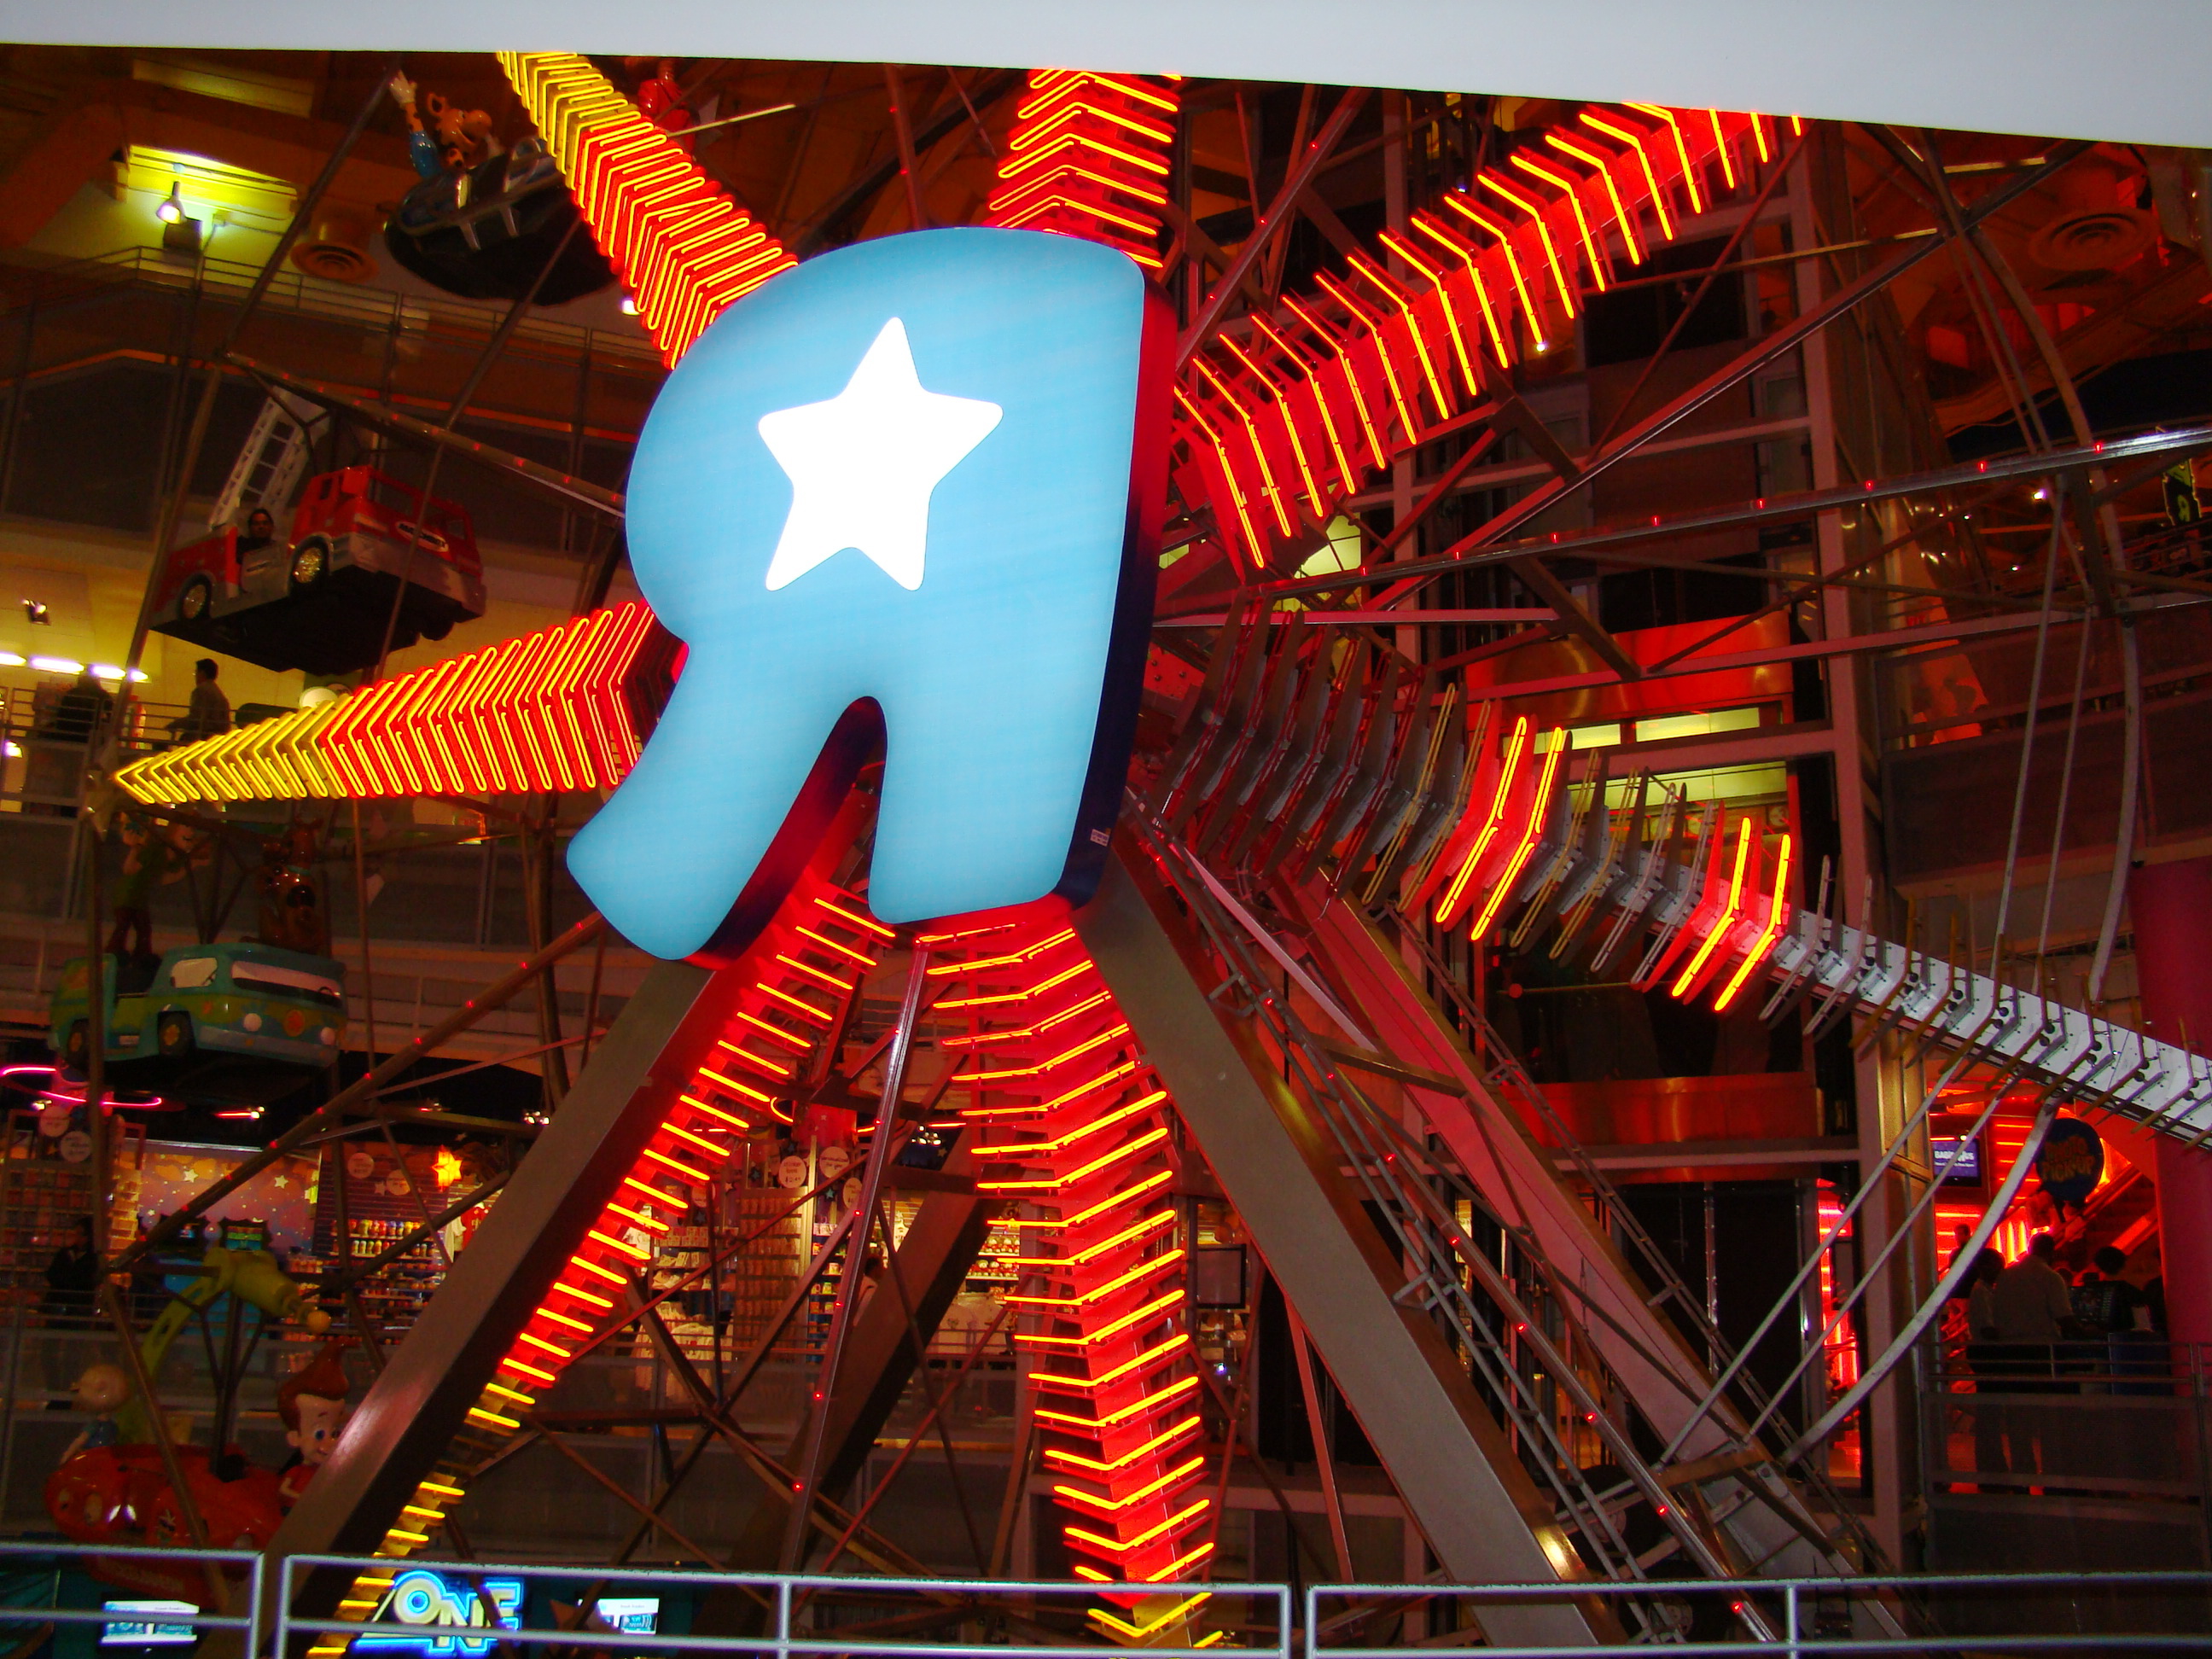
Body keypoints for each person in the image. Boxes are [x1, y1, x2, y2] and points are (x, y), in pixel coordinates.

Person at [1988, 1234, 2096, 1484]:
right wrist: (2087, 1334)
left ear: (2030, 1248)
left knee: (2018, 1418)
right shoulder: (2050, 1277)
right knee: (2050, 1417)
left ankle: (2022, 1475)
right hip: (2042, 1352)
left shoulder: (2006, 1276)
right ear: (2052, 1252)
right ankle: (2052, 1474)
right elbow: (2064, 1318)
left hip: (2010, 1353)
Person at [106, 817, 179, 963]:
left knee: (134, 927)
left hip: (134, 896)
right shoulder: (151, 850)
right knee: (132, 926)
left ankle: (125, 954)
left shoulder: (153, 850)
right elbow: (130, 869)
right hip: (131, 895)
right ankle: (123, 954)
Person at [41, 1217, 100, 1328]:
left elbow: (89, 1280)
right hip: (60, 1301)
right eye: (76, 1233)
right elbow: (51, 1275)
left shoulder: (93, 1258)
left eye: (81, 1234)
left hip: (79, 1305)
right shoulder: (65, 1253)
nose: (78, 1238)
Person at [172, 658, 230, 743]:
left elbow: (195, 718)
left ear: (202, 673)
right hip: (218, 738)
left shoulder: (201, 690)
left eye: (196, 673)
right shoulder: (217, 692)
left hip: (206, 738)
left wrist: (175, 724)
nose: (195, 676)